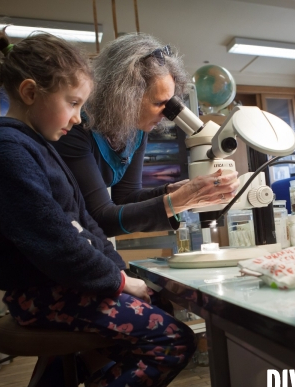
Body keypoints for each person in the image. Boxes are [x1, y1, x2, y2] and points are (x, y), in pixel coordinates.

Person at [0, 26, 196, 387]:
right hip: (42, 294)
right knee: (173, 340)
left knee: (153, 304)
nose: (78, 118)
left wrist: (118, 271)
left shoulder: (35, 148)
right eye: (73, 103)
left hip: (57, 285)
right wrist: (120, 282)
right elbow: (56, 240)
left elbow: (84, 223)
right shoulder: (3, 152)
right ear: (29, 93)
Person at [51, 33, 239, 236]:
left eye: (169, 102)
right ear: (124, 97)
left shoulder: (136, 130)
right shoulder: (74, 128)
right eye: (158, 103)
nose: (166, 113)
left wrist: (174, 191)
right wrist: (182, 199)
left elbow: (126, 197)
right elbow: (101, 218)